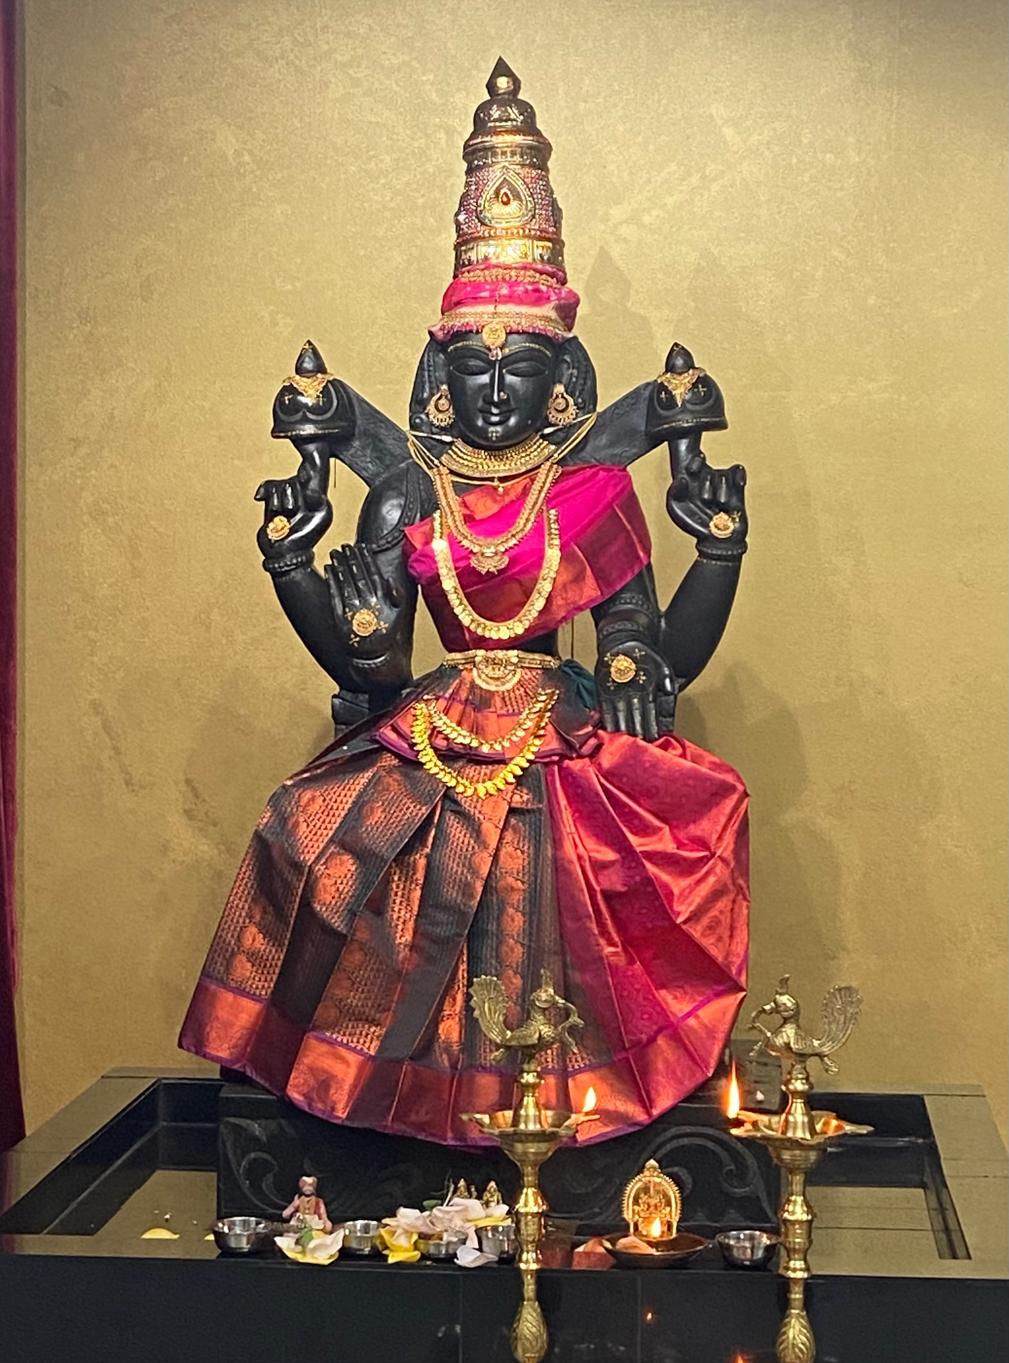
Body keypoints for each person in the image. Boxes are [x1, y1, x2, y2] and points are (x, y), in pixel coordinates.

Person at [179, 62, 749, 1145]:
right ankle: (382, 1094)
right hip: (431, 723)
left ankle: (559, 1102)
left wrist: (716, 553)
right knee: (302, 832)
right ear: (438, 380)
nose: (494, 391)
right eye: (474, 370)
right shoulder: (407, 493)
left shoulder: (592, 492)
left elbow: (641, 642)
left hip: (555, 722)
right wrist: (293, 571)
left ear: (559, 379)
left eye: (519, 368)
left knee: (633, 847)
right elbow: (371, 664)